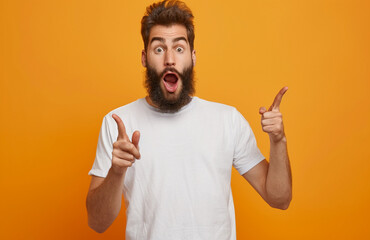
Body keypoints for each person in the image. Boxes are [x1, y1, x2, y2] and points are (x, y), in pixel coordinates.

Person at [86, 0, 292, 239]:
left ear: (193, 57)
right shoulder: (117, 122)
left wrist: (278, 141)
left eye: (179, 48)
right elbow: (97, 222)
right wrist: (116, 172)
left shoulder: (227, 121)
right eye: (159, 49)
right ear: (144, 58)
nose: (170, 59)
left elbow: (279, 199)